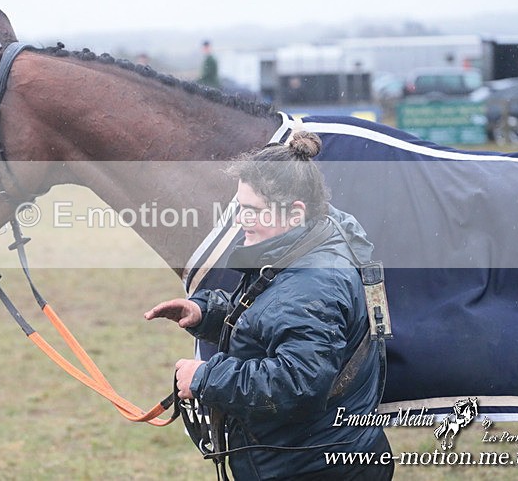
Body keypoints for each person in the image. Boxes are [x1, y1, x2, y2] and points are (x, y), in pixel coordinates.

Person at [145, 131, 393, 480]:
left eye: (251, 211)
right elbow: (273, 319)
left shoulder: (313, 284)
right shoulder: (306, 245)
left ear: (295, 213)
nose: (238, 221)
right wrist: (207, 313)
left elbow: (298, 383)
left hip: (311, 469)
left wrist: (204, 378)